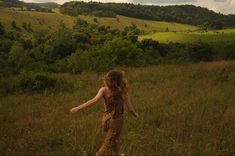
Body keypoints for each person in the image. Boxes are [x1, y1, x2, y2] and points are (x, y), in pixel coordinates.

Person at [70, 70, 139, 156]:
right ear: (120, 80)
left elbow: (93, 101)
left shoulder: (103, 90)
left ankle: (116, 154)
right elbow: (130, 109)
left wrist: (78, 108)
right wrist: (135, 114)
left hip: (105, 120)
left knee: (114, 139)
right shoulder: (123, 91)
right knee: (107, 144)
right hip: (116, 121)